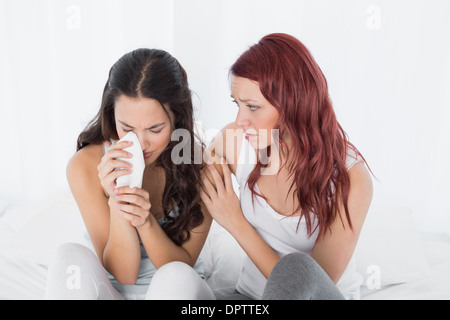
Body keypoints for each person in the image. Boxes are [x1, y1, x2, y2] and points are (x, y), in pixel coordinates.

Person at [200, 33, 373, 300]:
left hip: (315, 297)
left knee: (299, 266)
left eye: (253, 107)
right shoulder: (235, 142)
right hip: (249, 297)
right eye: (237, 104)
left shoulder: (350, 178)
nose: (240, 119)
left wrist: (235, 221)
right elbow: (184, 183)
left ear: (295, 103)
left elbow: (312, 288)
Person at [45, 48, 215, 300]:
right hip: (113, 290)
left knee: (175, 277)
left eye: (155, 129)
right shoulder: (85, 165)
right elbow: (124, 274)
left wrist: (145, 221)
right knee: (68, 256)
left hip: (177, 290)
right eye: (126, 127)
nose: (140, 143)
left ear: (177, 119)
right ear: (112, 114)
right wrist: (118, 200)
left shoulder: (201, 166)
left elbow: (180, 267)